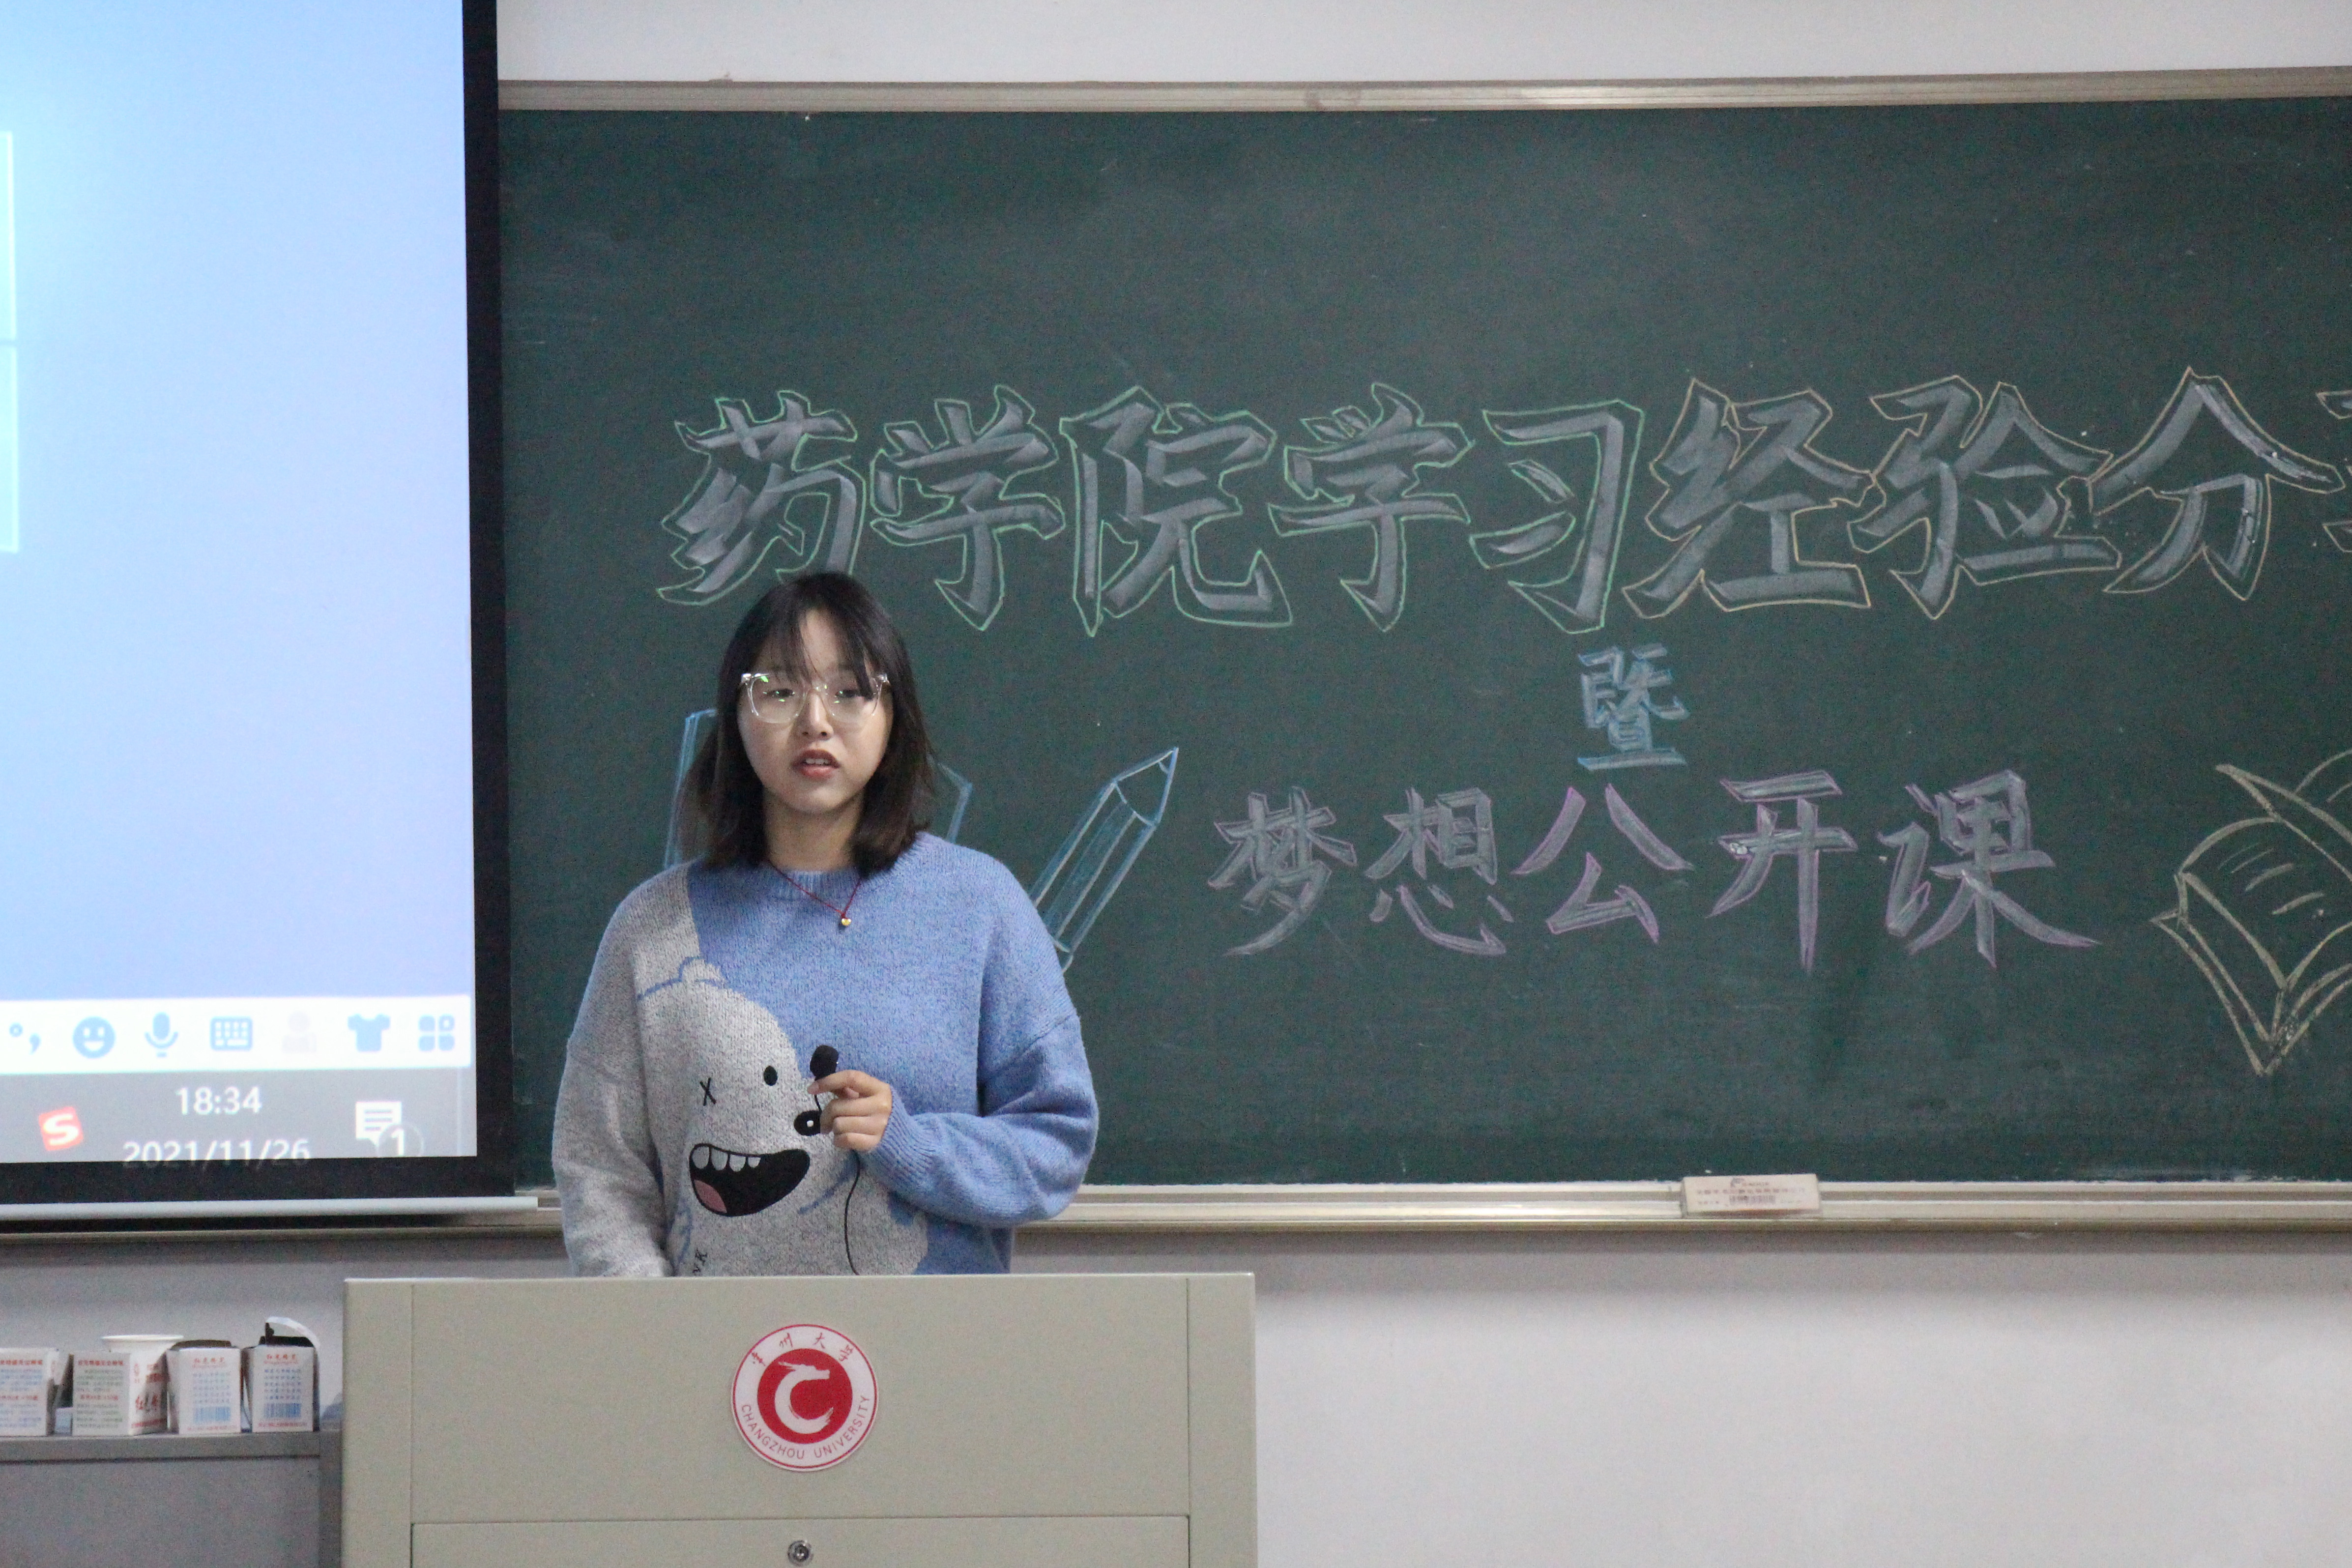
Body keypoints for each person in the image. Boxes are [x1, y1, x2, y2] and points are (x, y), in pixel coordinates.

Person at [552, 572, 1097, 1275]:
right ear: (736, 714)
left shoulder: (979, 905)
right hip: (714, 1342)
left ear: (894, 715)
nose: (815, 720)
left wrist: (909, 1143)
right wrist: (657, 1325)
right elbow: (600, 1170)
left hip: (938, 1339)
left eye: (849, 691)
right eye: (780, 691)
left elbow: (1055, 1144)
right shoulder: (655, 927)